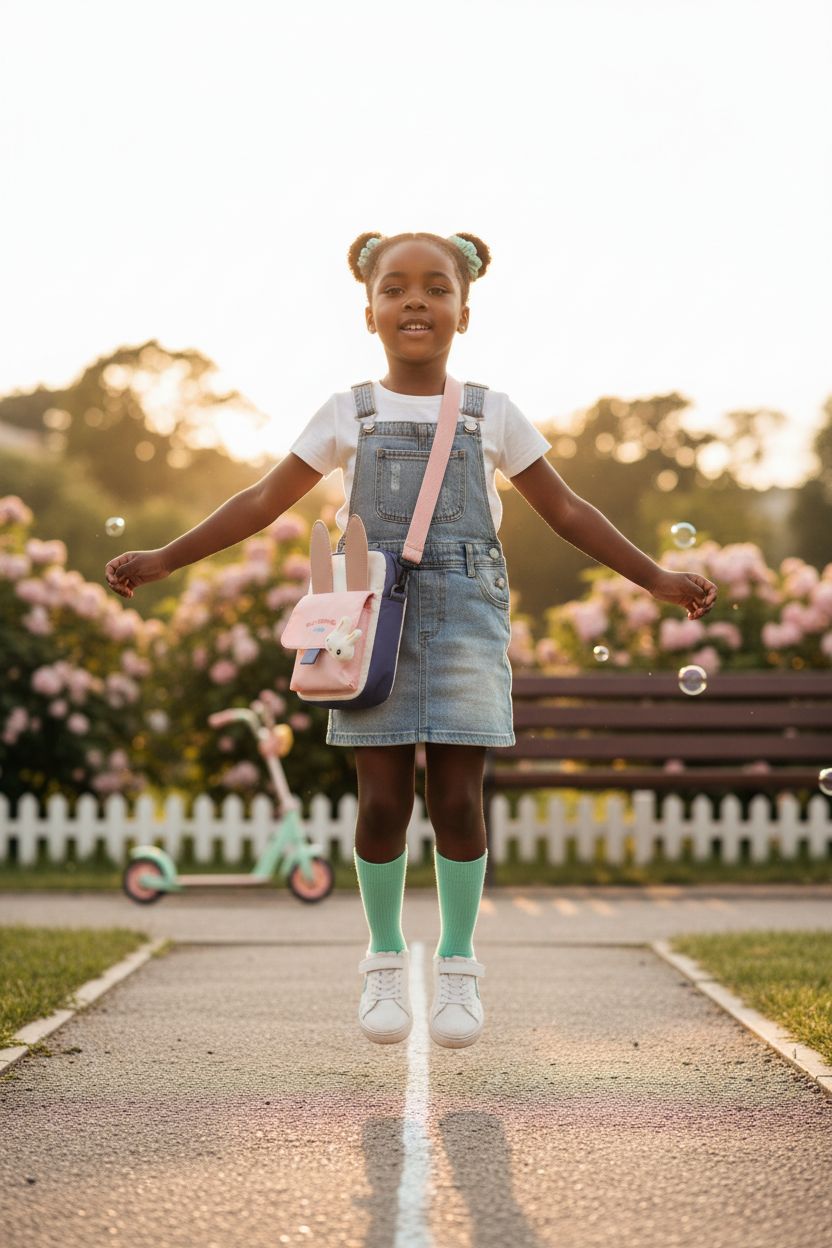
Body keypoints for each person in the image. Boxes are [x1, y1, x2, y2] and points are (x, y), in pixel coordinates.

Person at [105, 230, 718, 1052]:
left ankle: (460, 967)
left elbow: (567, 511)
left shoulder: (491, 411)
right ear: (369, 311)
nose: (416, 301)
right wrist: (166, 558)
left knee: (460, 802)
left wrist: (656, 577)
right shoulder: (346, 412)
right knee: (384, 804)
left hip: (466, 617)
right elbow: (260, 501)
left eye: (437, 287)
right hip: (369, 623)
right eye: (396, 288)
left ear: (465, 311)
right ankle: (384, 959)